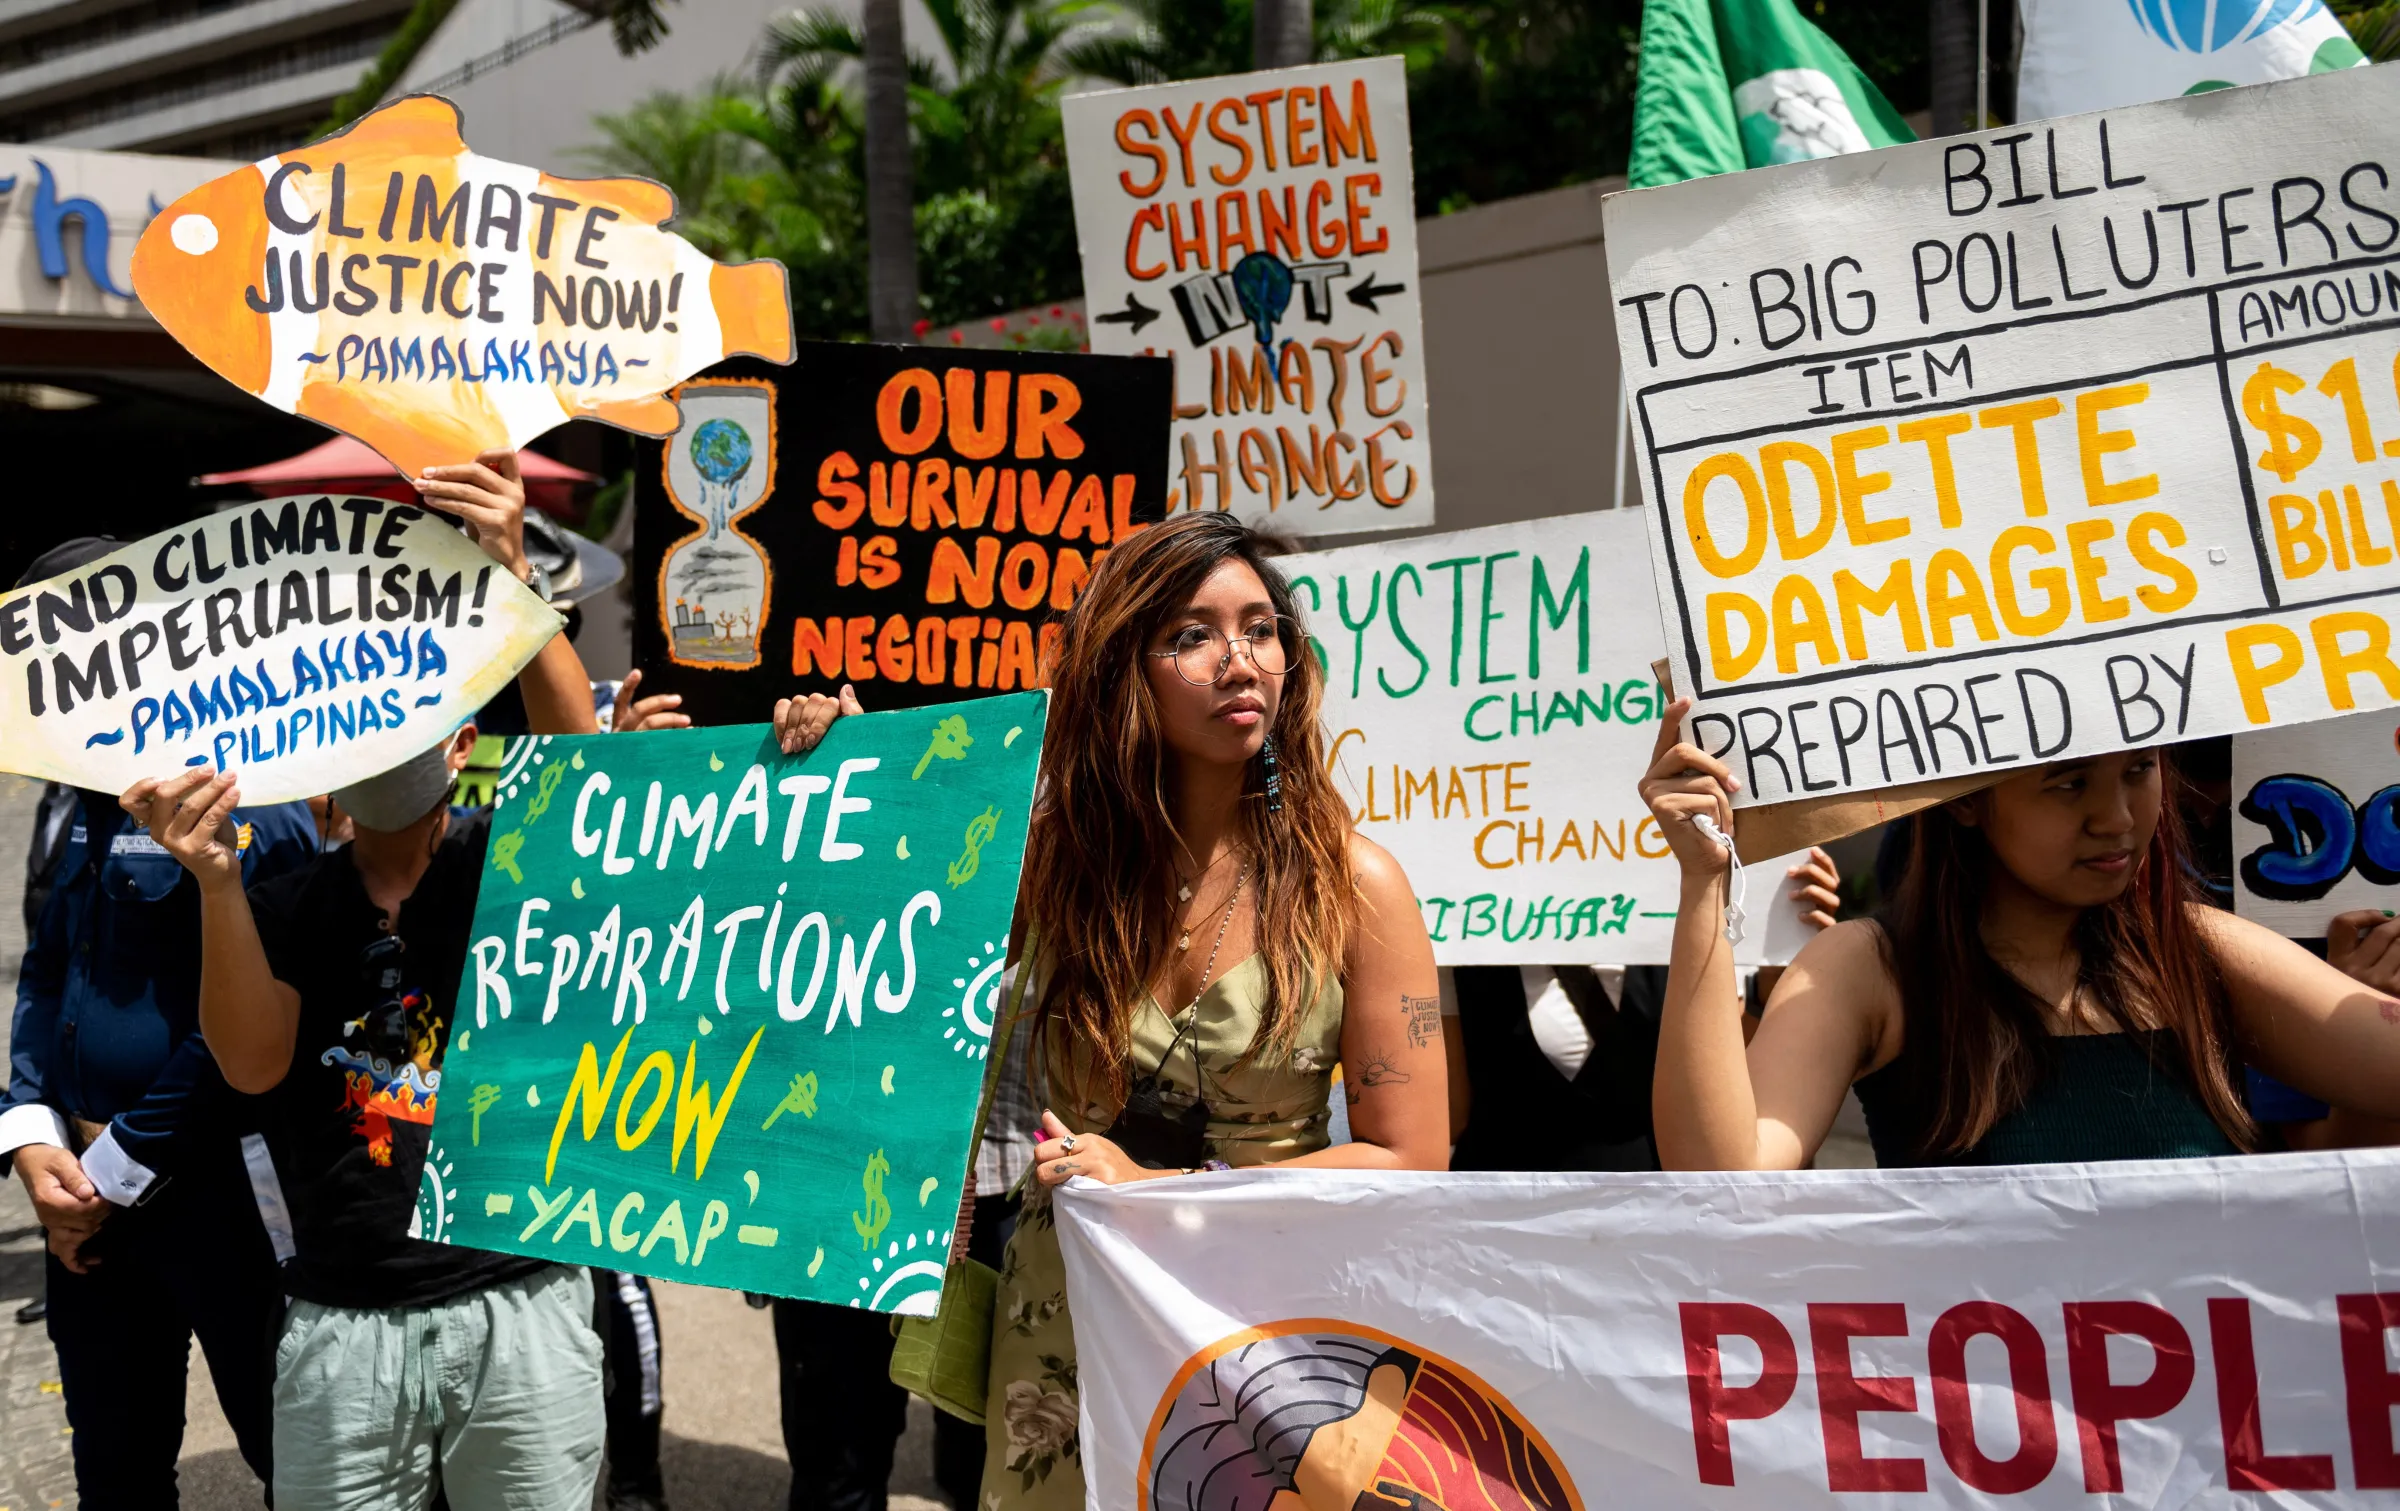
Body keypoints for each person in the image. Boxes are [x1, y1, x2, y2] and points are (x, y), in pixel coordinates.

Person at [125, 452, 614, 1511]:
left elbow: (602, 791)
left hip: (520, 1298)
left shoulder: (513, 864)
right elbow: (254, 1064)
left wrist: (514, 576)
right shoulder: (283, 903)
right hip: (344, 1327)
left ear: (466, 740)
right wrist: (212, 882)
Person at [978, 513, 1451, 1509]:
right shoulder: (1052, 865)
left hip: (1264, 1321)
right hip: (1069, 1312)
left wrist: (1161, 1190)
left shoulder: (1356, 886)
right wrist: (831, 753)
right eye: (1193, 633)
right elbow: (879, 939)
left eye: (1262, 628)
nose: (1241, 659)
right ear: (1126, 670)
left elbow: (1414, 1155)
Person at [1639, 703, 2400, 1170]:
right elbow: (1722, 1171)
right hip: (1982, 1428)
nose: (2120, 817)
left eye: (2140, 769)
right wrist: (1704, 880)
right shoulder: (1871, 968)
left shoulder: (2197, 948)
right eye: (2068, 783)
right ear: (1967, 801)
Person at [0, 534, 322, 1504]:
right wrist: (29, 1137)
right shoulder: (68, 795)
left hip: (223, 1197)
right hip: (81, 1208)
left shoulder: (243, 791)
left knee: (295, 1454)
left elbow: (256, 1013)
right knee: (117, 1464)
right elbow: (45, 972)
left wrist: (114, 1166)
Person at [1447, 847, 1841, 1172]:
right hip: (1506, 1233)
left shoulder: (1707, 913)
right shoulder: (1451, 930)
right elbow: (1447, 1118)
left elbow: (1746, 1090)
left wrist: (1778, 977)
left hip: (1674, 1229)